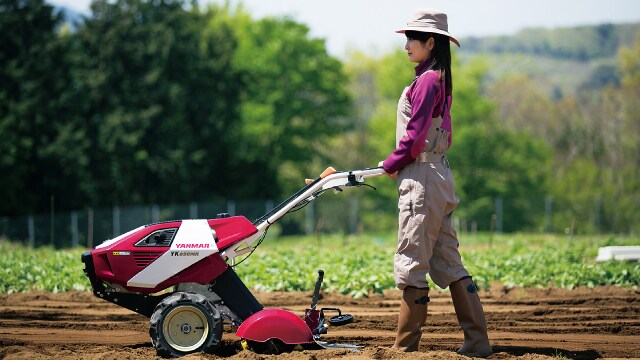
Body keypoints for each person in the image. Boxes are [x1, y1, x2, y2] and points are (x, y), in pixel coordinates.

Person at [379, 8, 492, 357]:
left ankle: (404, 347)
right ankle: (477, 342)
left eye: (412, 39)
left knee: (412, 262)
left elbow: (415, 138)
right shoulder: (438, 78)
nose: (406, 46)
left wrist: (392, 164)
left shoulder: (427, 80)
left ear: (431, 42)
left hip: (422, 178)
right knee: (448, 260)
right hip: (438, 175)